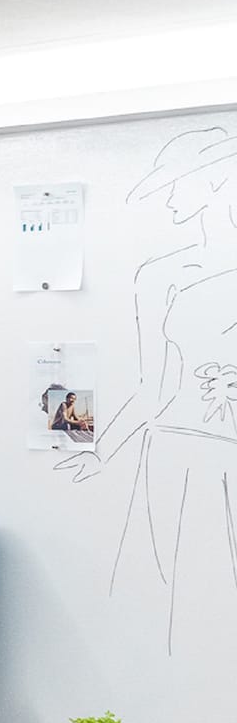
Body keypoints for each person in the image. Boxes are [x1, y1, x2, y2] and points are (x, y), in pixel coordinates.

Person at [58, 126, 237, 649]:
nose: (172, 197)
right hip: (173, 454)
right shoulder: (161, 275)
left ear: (215, 180)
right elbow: (152, 387)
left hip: (227, 455)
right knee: (169, 598)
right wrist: (101, 450)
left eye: (180, 182)